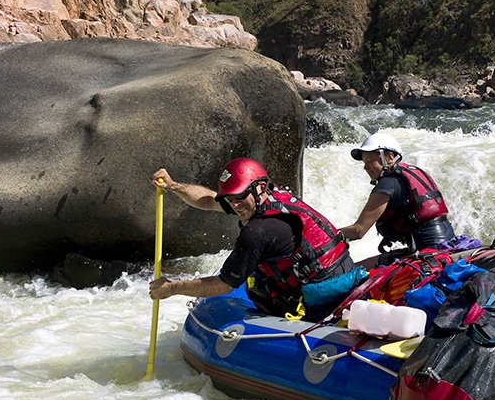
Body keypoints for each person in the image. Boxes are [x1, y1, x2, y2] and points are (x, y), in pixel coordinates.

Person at [149, 157, 355, 319]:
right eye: (229, 198)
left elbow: (225, 284)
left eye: (239, 196)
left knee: (255, 284)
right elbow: (210, 200)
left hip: (320, 300)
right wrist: (173, 185)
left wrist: (172, 288)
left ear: (260, 188)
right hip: (341, 275)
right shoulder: (268, 197)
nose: (234, 204)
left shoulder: (258, 232)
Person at [339, 132, 455, 267]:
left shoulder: (388, 183)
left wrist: (328, 236)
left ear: (389, 158)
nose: (366, 167)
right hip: (447, 245)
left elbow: (358, 230)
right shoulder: (411, 172)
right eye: (365, 162)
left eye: (370, 160)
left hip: (428, 253)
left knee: (355, 270)